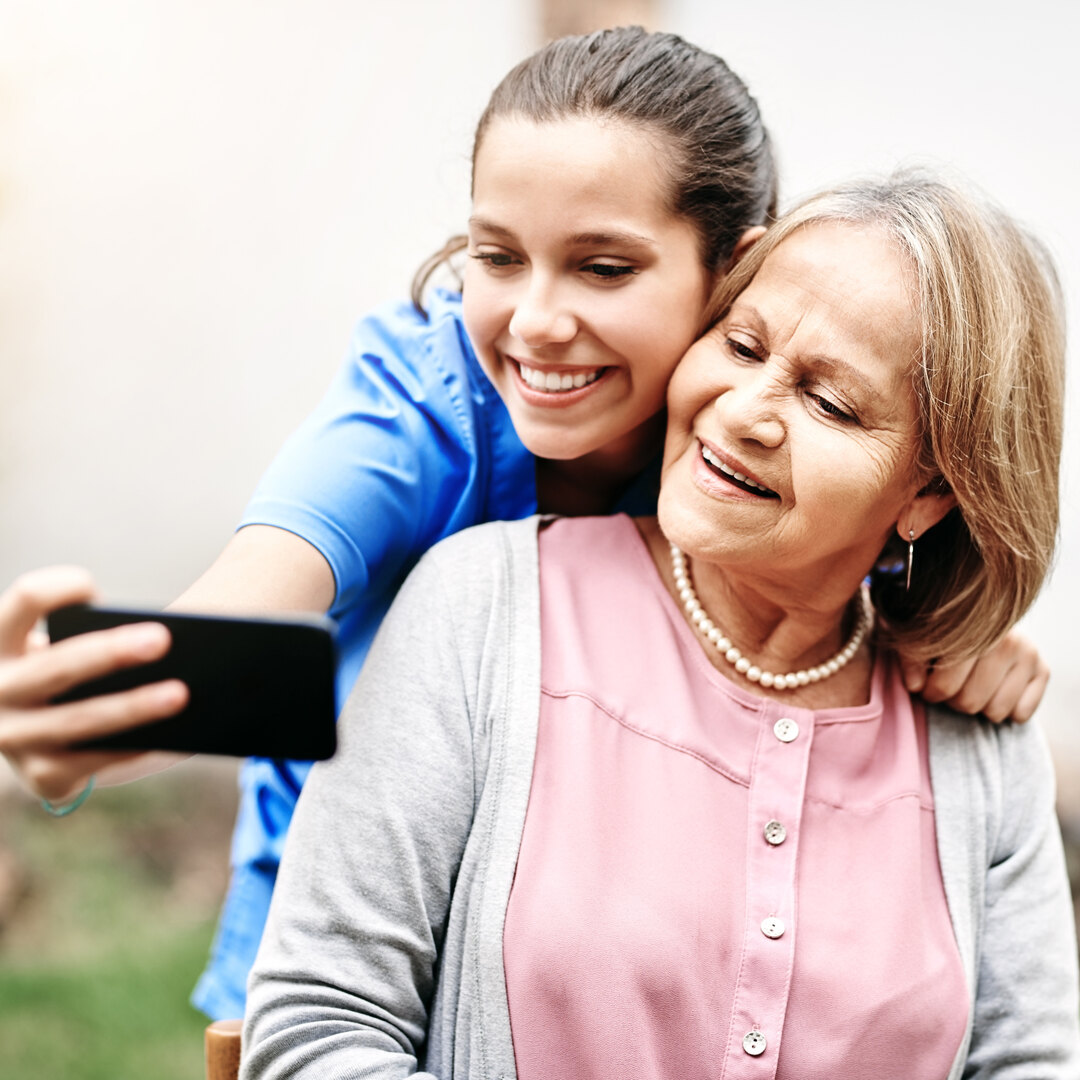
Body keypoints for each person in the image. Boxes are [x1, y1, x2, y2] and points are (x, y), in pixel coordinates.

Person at [0, 29, 1051, 1021]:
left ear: (735, 266)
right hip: (348, 959)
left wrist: (950, 627)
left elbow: (837, 566)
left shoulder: (733, 449)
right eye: (496, 257)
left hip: (582, 972)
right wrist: (81, 727)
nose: (537, 321)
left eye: (603, 268)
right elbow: (233, 621)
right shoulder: (420, 409)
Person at [240, 171, 1078, 1080]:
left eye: (830, 404)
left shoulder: (977, 743)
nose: (746, 412)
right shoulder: (483, 609)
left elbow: (1030, 1063)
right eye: (742, 343)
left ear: (930, 493)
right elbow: (318, 1031)